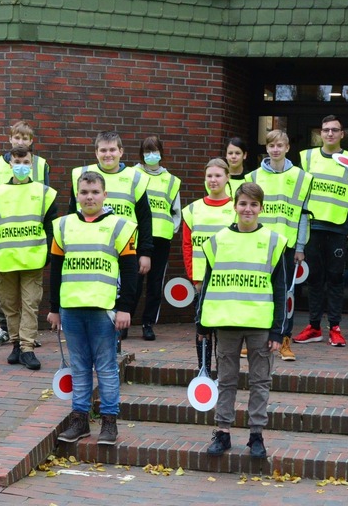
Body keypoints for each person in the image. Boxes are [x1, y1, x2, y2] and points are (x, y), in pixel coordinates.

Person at [49, 171, 140, 445]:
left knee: (106, 368)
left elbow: (130, 270)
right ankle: (80, 421)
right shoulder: (62, 225)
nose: (89, 197)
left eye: (95, 192)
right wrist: (54, 308)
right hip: (72, 308)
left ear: (105, 195)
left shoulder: (120, 226)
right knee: (79, 367)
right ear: (77, 195)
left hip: (104, 310)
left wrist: (126, 308)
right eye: (84, 192)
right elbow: (55, 269)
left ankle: (109, 423)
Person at [198, 182, 286, 459]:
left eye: (253, 204)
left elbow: (281, 289)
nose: (248, 209)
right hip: (226, 323)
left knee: (261, 381)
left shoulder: (274, 240)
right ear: (235, 205)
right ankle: (222, 433)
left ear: (261, 208)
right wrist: (201, 322)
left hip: (260, 324)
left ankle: (256, 436)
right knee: (225, 380)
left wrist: (278, 331)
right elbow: (208, 283)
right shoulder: (218, 240)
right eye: (243, 203)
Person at [69, 131, 154, 340]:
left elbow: (145, 218)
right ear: (96, 152)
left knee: (129, 286)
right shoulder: (82, 174)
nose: (108, 154)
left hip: (126, 245)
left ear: (121, 152)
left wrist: (145, 252)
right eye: (103, 150)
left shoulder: (136, 178)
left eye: (112, 149)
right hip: (93, 246)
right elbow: (72, 213)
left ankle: (121, 324)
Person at [0, 145, 58, 370]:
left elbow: (50, 225)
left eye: (26, 162)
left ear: (32, 164)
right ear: (10, 163)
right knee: (10, 306)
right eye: (17, 162)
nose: (22, 166)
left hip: (33, 259)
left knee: (30, 304)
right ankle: (15, 344)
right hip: (4, 259)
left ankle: (27, 348)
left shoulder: (45, 192)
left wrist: (47, 253)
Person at [246, 129, 311, 361]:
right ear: (267, 148)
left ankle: (285, 340)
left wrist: (301, 246)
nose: (275, 149)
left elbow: (304, 215)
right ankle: (253, 338)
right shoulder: (252, 177)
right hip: (258, 244)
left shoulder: (302, 177)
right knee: (256, 291)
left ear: (287, 148)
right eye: (271, 145)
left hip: (287, 246)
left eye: (280, 145)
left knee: (285, 295)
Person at [296, 115, 348, 349]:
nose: (330, 134)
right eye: (326, 130)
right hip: (313, 227)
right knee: (314, 280)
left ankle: (335, 327)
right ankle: (314, 327)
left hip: (338, 230)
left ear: (342, 134)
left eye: (335, 130)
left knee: (334, 281)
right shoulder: (307, 157)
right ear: (320, 133)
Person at [0, 121, 51, 348]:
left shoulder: (41, 164)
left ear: (31, 142)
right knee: (8, 299)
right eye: (17, 137)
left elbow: (46, 199)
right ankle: (7, 332)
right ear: (10, 139)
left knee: (30, 298)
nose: (20, 142)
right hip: (7, 242)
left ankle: (26, 338)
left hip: (31, 240)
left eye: (25, 138)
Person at [183, 159, 238, 367]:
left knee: (224, 333)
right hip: (201, 282)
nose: (213, 180)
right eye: (209, 176)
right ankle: (204, 373)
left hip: (228, 281)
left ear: (227, 177)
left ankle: (223, 374)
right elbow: (187, 246)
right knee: (202, 331)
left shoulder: (236, 209)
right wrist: (194, 278)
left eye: (217, 176)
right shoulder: (192, 210)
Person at [135, 136, 181, 341]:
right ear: (141, 154)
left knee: (155, 284)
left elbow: (176, 211)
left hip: (161, 238)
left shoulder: (171, 180)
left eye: (155, 151)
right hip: (136, 237)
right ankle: (124, 321)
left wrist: (171, 229)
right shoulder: (133, 175)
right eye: (147, 151)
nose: (151, 155)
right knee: (132, 281)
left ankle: (148, 323)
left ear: (161, 152)